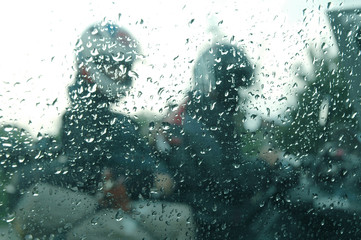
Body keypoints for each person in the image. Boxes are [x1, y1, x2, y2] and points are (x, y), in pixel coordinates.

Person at [13, 20, 195, 240]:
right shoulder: (86, 118)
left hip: (104, 205)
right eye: (116, 66)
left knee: (181, 217)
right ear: (92, 65)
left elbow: (148, 172)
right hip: (99, 210)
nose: (124, 74)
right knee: (152, 223)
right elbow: (90, 169)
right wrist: (141, 179)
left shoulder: (111, 120)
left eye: (126, 67)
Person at [153, 43, 276, 239]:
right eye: (232, 82)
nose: (236, 92)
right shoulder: (210, 117)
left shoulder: (191, 112)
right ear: (217, 80)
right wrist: (264, 163)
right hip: (212, 222)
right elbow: (226, 182)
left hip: (202, 213)